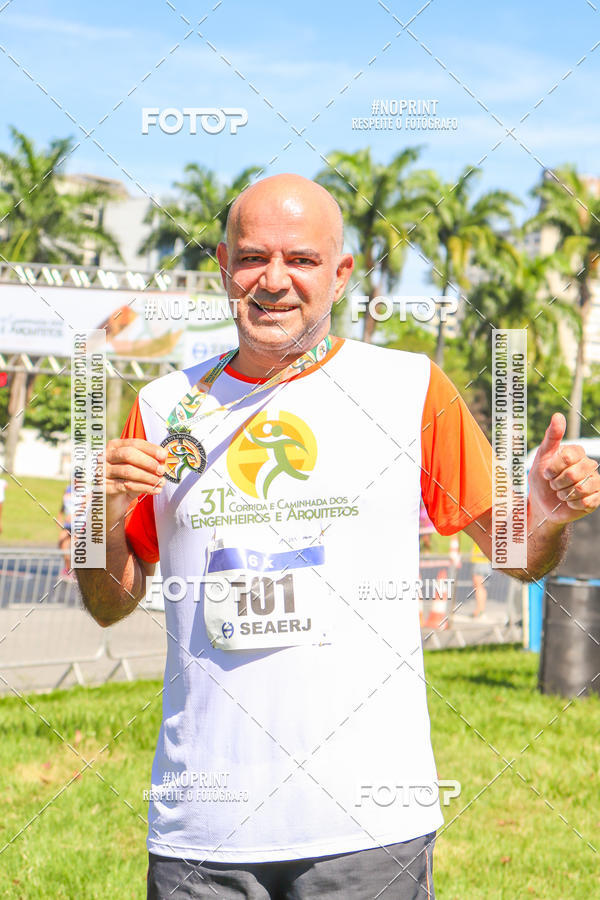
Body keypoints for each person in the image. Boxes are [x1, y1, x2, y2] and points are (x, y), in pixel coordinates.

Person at [77, 174, 600, 899]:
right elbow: (109, 603)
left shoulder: (410, 387)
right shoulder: (162, 406)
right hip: (202, 832)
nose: (274, 281)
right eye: (254, 257)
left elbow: (518, 558)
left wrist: (545, 515)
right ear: (224, 267)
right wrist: (99, 516)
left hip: (364, 827)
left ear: (342, 274)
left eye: (301, 260)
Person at [470, 540, 492, 618]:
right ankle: (481, 610)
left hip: (480, 560)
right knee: (480, 586)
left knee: (478, 586)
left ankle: (479, 610)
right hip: (482, 560)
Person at [58, 483, 74, 580]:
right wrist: (60, 515)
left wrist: (75, 515)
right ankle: (68, 568)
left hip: (79, 525)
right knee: (62, 544)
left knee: (75, 549)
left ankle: (75, 571)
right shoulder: (68, 488)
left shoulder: (85, 490)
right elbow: (64, 504)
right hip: (68, 525)